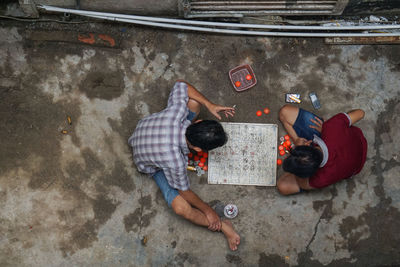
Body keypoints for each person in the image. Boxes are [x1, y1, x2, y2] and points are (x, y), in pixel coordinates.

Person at [128, 80, 241, 251]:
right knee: (181, 208)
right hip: (150, 165)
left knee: (194, 102)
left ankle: (220, 223)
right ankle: (224, 226)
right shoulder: (175, 161)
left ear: (197, 122)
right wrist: (208, 210)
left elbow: (181, 84)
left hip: (144, 131)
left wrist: (209, 104)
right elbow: (183, 191)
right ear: (197, 149)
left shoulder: (177, 112)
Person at [277, 104, 367, 195]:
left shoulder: (321, 178)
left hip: (355, 164)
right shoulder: (332, 126)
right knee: (284, 112)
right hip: (351, 139)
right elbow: (360, 113)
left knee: (283, 187)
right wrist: (328, 127)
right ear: (308, 143)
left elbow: (303, 183)